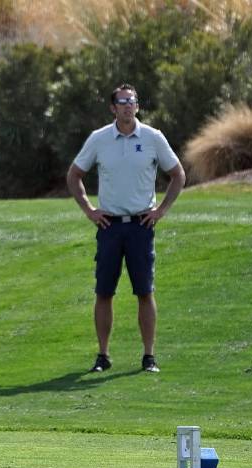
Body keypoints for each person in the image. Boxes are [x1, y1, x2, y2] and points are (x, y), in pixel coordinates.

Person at [66, 83, 185, 374]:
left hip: (141, 227)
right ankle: (103, 355)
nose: (126, 106)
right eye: (121, 102)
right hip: (109, 226)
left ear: (138, 106)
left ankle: (148, 356)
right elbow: (75, 174)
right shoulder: (100, 139)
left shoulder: (153, 138)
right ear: (113, 108)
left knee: (145, 291)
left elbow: (177, 174)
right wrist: (89, 210)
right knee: (104, 291)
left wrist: (161, 211)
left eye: (131, 101)